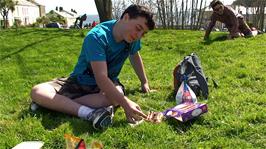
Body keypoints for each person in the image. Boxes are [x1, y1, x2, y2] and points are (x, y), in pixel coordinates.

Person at [30, 4, 155, 130]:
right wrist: (126, 103)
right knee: (37, 91)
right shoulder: (97, 37)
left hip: (108, 84)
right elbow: (101, 78)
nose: (139, 36)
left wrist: (144, 82)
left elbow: (134, 57)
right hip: (79, 82)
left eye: (143, 33)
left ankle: (56, 104)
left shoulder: (132, 38)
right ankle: (88, 113)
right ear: (126, 17)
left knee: (116, 95)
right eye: (138, 28)